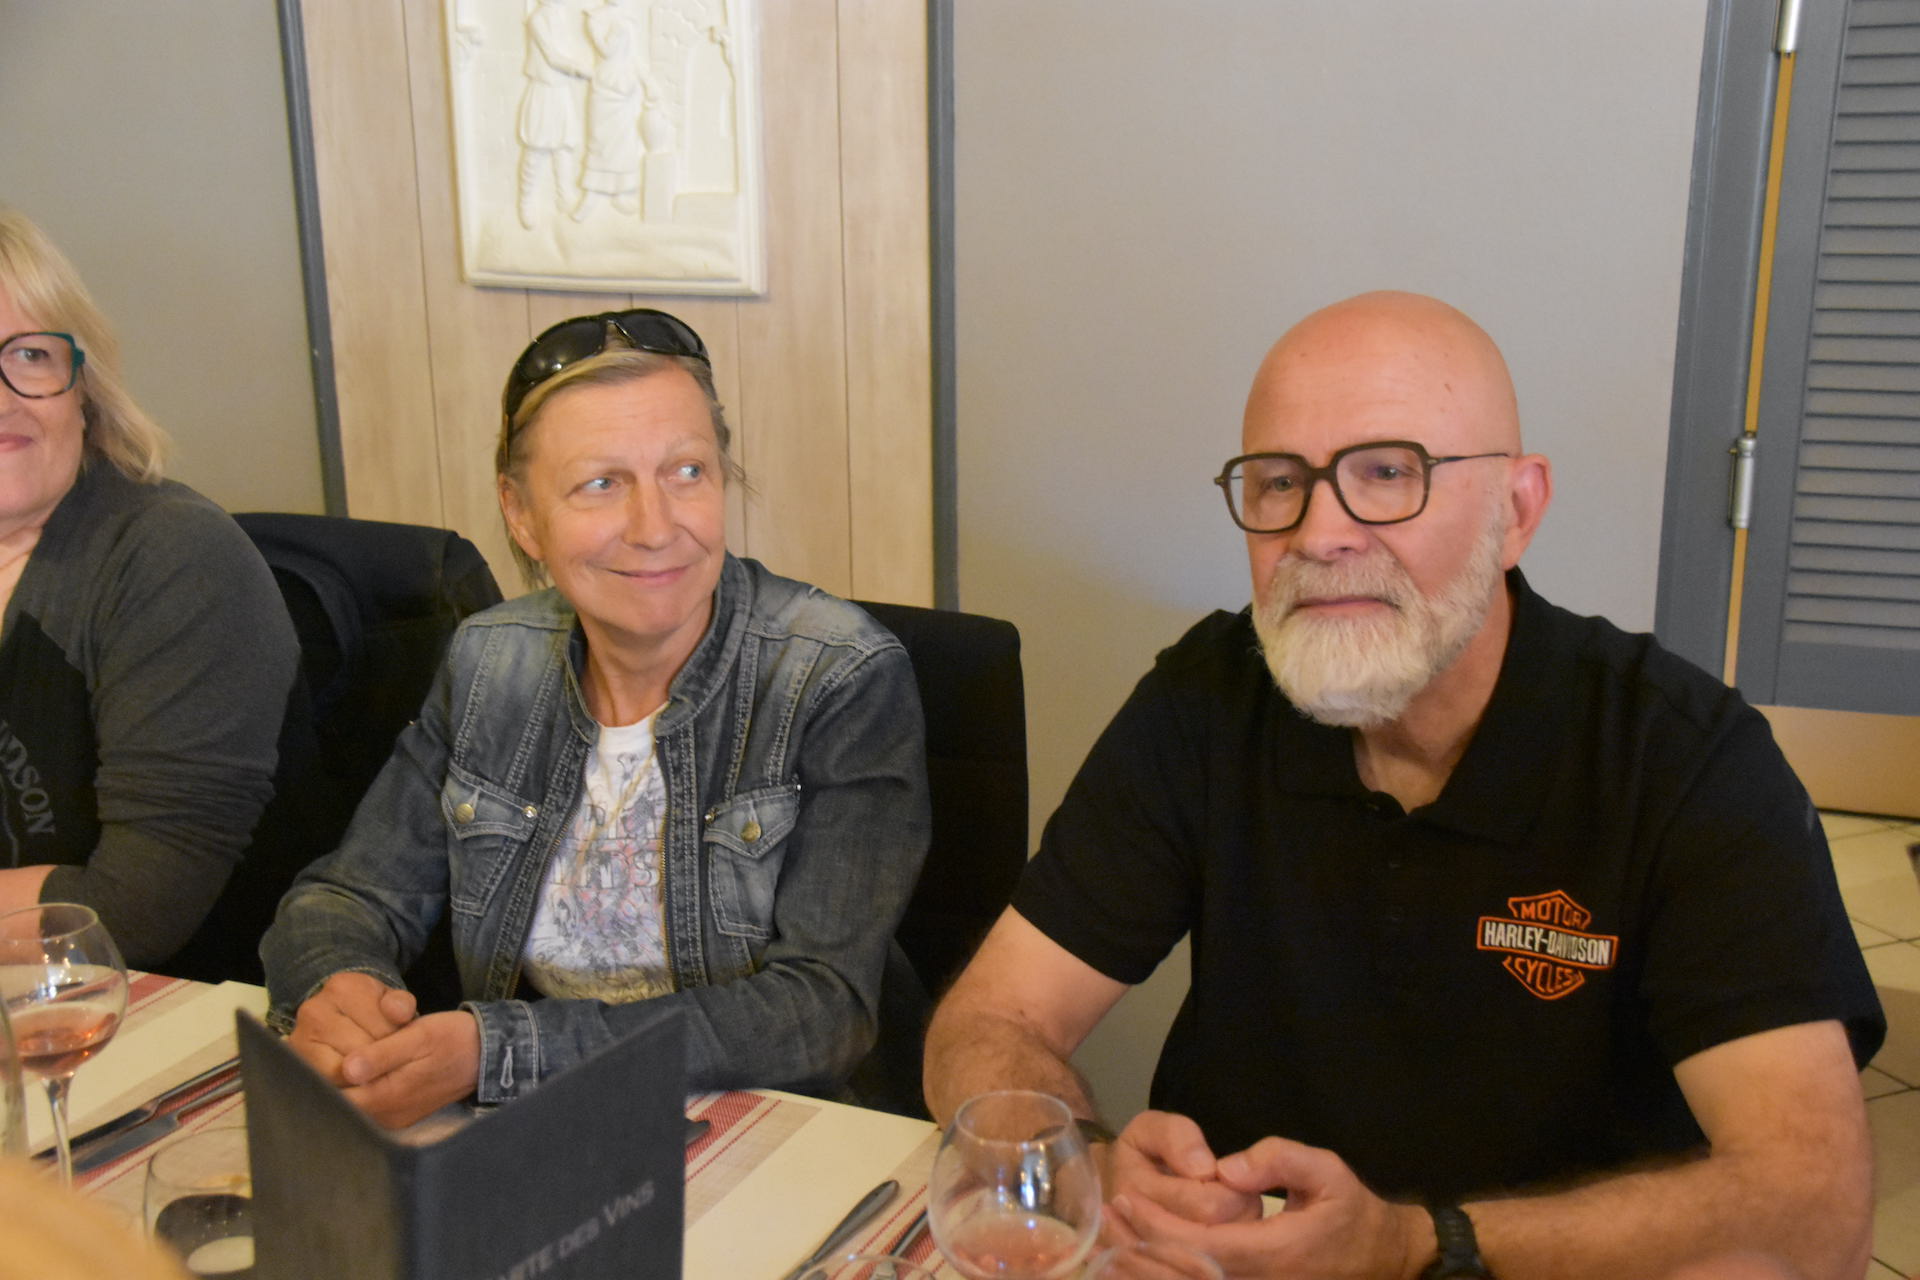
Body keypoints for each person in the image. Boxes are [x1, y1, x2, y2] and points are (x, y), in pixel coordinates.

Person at [923, 293, 1884, 1280]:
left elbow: (1816, 1210)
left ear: (1516, 511)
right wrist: (1088, 1164)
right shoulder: (1208, 698)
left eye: (1388, 473)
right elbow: (988, 1022)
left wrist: (1416, 1243)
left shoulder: (1684, 761)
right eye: (1279, 481)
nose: (1320, 532)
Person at [261, 308, 931, 1129]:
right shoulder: (491, 662)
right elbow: (346, 896)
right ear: (520, 514)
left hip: (781, 1132)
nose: (656, 527)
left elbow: (821, 1012)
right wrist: (341, 990)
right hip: (546, 1127)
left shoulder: (838, 675)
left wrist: (501, 1051)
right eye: (602, 484)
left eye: (687, 471)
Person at [0, 208, 308, 977]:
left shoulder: (173, 558)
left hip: (172, 1015)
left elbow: (129, 915)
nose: (3, 398)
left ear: (83, 388)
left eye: (30, 355)